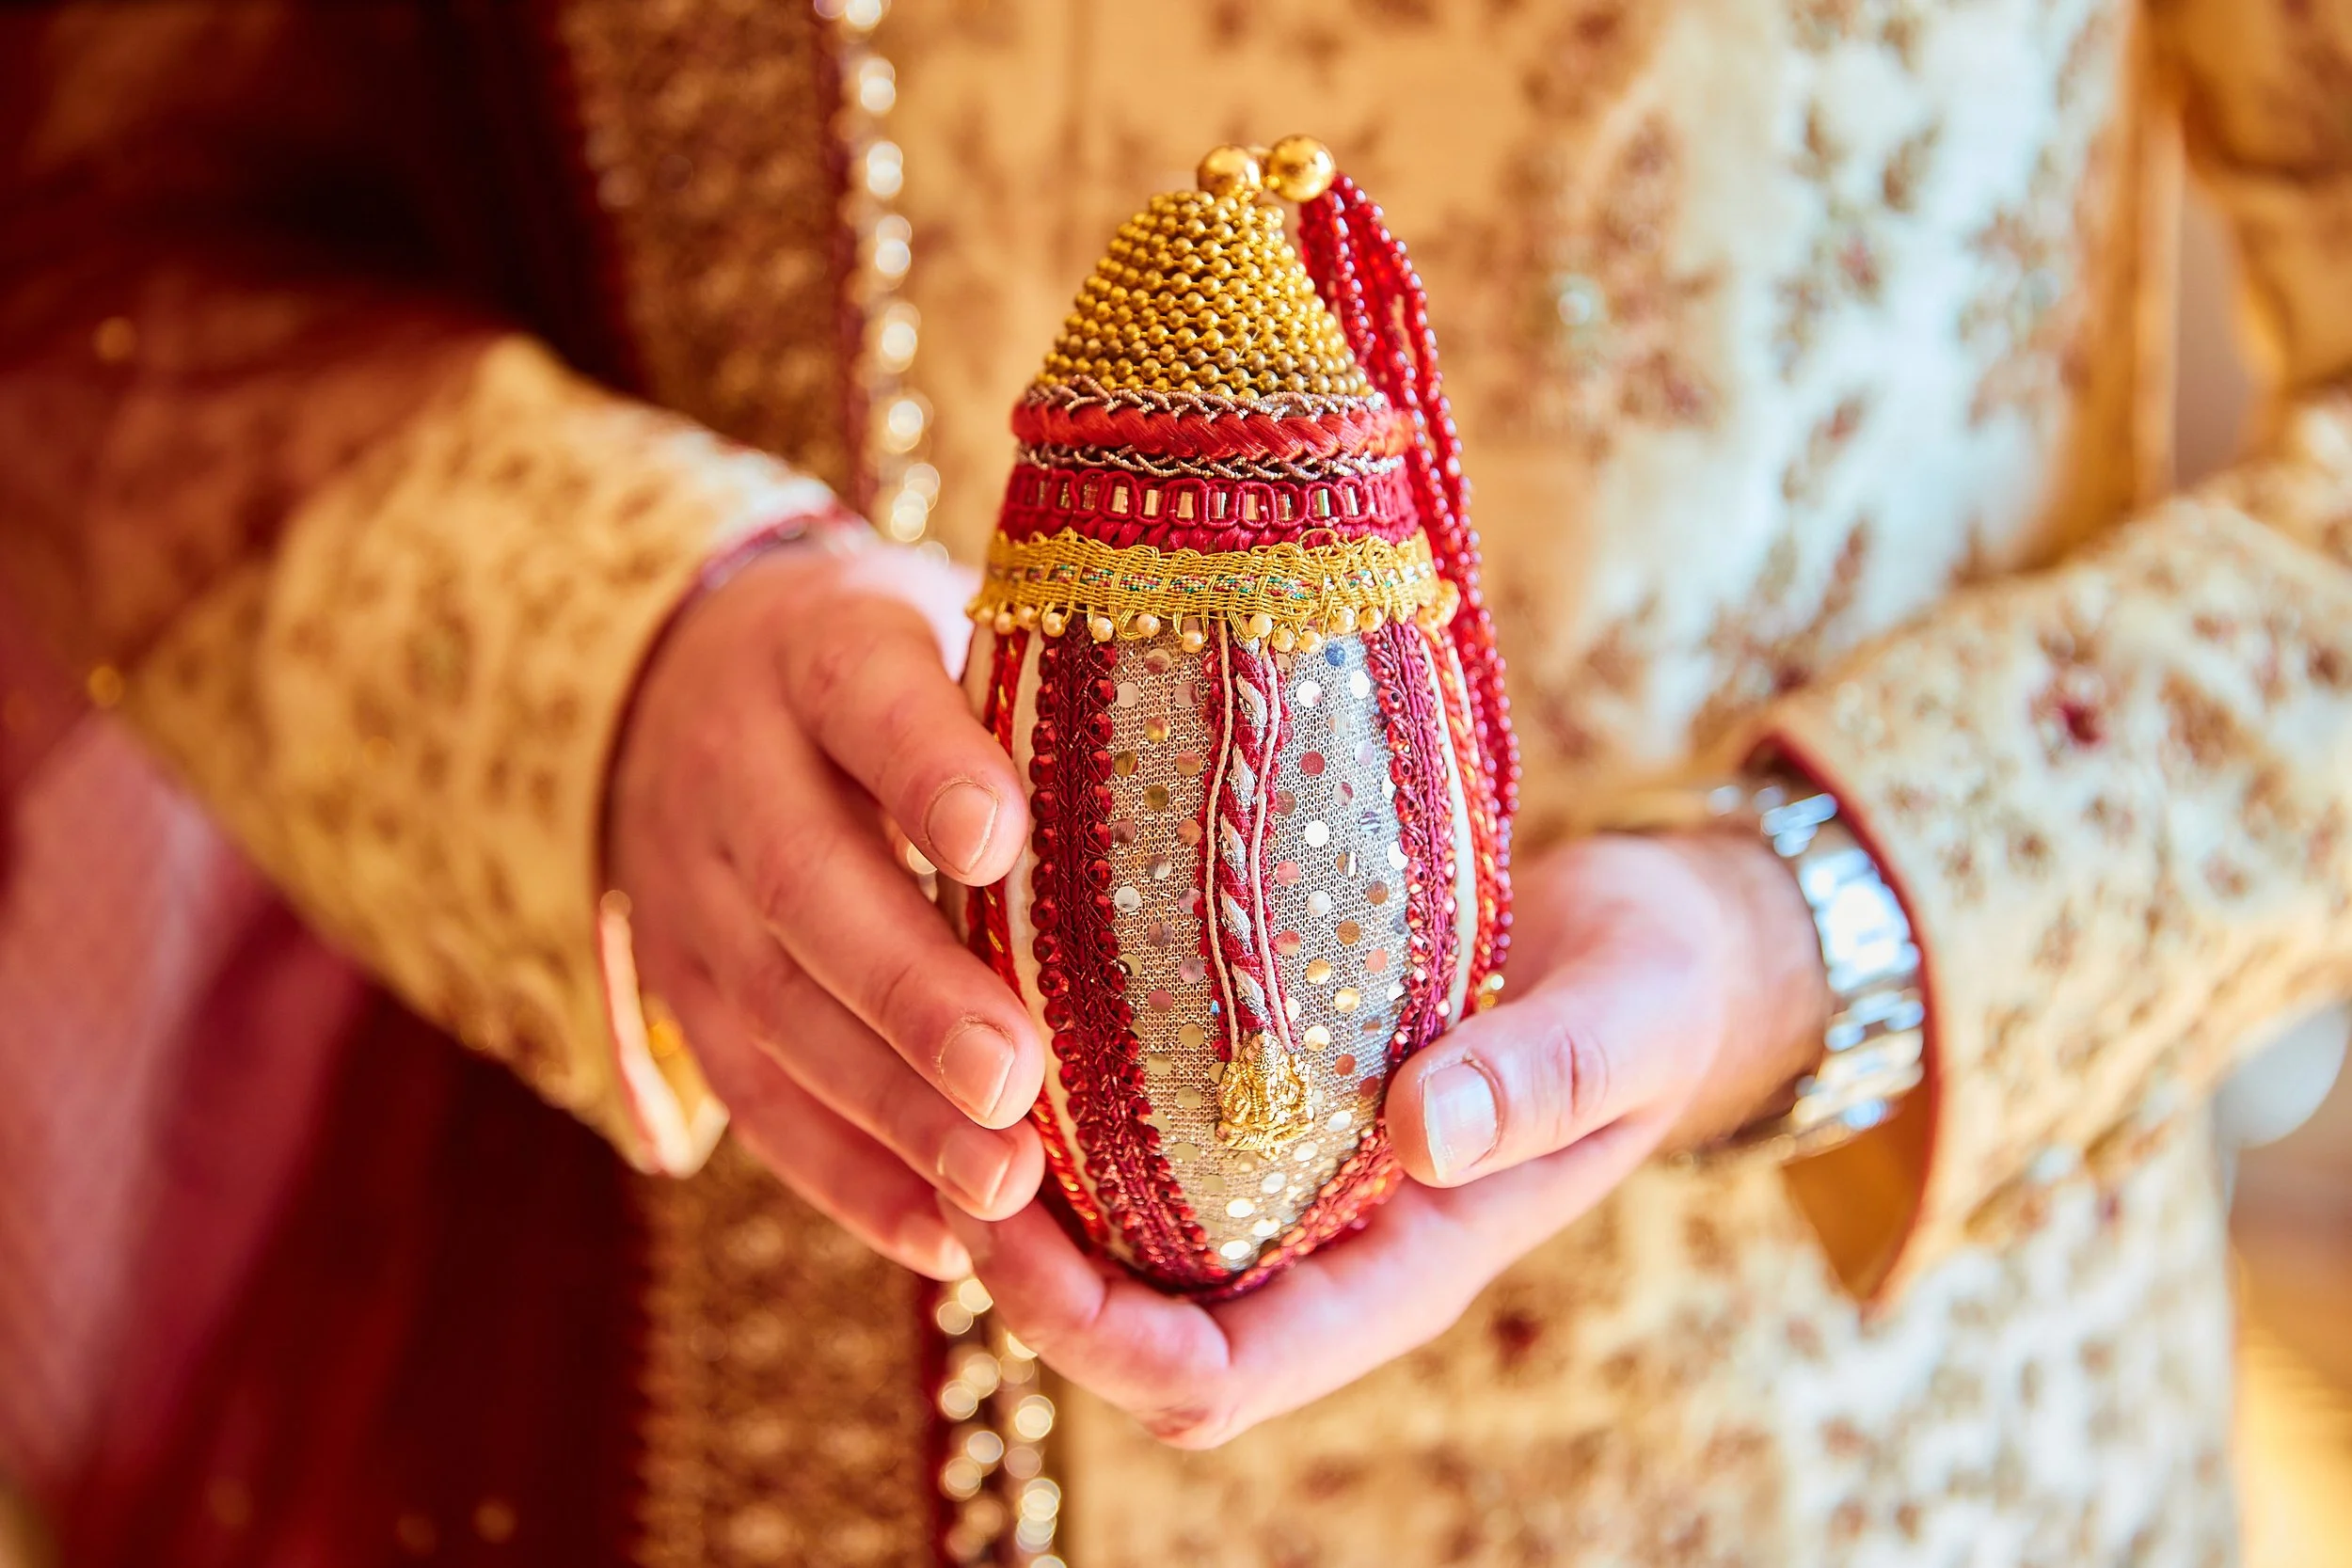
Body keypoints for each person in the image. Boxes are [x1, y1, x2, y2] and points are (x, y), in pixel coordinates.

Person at [2, 1, 2346, 1563]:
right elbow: (125, 294)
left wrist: (1808, 924)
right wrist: (611, 655)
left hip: (1840, 1456)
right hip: (769, 1380)